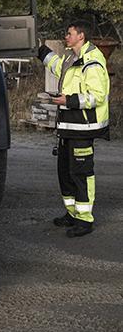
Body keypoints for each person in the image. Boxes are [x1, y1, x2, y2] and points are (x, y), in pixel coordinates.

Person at [38, 20, 110, 237]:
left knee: (81, 174)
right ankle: (72, 214)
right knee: (65, 172)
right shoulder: (71, 58)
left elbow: (97, 96)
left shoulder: (93, 61)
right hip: (69, 127)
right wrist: (40, 49)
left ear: (81, 36)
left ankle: (85, 220)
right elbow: (56, 65)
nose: (66, 37)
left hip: (83, 127)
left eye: (69, 33)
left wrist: (68, 101)